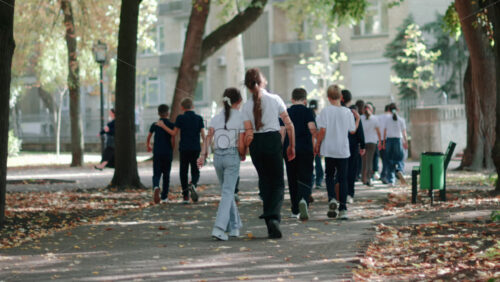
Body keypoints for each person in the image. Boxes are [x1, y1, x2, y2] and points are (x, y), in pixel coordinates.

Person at [242, 68, 295, 239]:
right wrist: (291, 146)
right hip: (273, 140)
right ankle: (273, 217)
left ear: (248, 86)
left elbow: (248, 133)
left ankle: (269, 222)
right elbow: (289, 125)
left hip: (256, 144)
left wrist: (244, 149)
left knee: (264, 182)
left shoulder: (245, 106)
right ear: (263, 81)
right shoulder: (275, 99)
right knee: (278, 183)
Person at [198, 88, 245, 241]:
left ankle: (234, 227)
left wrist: (202, 155)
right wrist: (243, 153)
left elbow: (208, 138)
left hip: (218, 157)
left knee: (227, 191)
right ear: (238, 101)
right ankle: (219, 228)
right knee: (227, 192)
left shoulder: (216, 117)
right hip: (232, 156)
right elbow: (242, 140)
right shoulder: (241, 117)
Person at [315, 85, 359, 220]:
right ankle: (343, 209)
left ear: (328, 98)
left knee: (329, 176)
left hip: (329, 149)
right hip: (343, 150)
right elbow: (352, 131)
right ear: (341, 97)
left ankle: (332, 198)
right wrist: (357, 119)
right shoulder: (348, 112)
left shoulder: (325, 111)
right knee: (343, 178)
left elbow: (322, 131)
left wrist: (317, 145)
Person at [280, 88, 316, 220]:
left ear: (292, 99)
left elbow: (282, 131)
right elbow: (312, 129)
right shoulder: (308, 112)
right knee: (306, 176)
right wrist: (316, 145)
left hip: (289, 150)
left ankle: (295, 210)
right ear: (305, 100)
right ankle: (304, 200)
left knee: (292, 177)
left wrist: (281, 148)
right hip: (306, 149)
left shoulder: (286, 112)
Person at [172, 98, 205, 204]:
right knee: (195, 170)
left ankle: (185, 197)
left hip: (184, 148)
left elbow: (174, 133)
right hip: (195, 148)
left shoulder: (180, 118)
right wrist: (206, 148)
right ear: (193, 106)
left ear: (182, 107)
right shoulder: (199, 118)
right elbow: (204, 136)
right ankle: (193, 184)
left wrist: (163, 126)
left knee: (183, 171)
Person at [146, 104, 175, 204]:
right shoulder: (171, 124)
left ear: (158, 113)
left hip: (157, 151)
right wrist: (173, 148)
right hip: (167, 152)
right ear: (168, 113)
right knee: (166, 175)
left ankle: (156, 186)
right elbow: (173, 137)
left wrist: (148, 145)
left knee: (156, 173)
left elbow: (149, 136)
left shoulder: (155, 125)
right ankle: (164, 197)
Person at [341, 90, 365, 204]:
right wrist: (362, 145)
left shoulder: (335, 111)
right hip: (352, 145)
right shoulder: (353, 112)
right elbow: (359, 129)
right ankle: (349, 194)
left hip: (339, 144)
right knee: (351, 170)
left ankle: (338, 194)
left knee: (340, 171)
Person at [382, 103, 408, 186]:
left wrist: (383, 143)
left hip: (389, 140)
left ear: (389, 110)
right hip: (398, 140)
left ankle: (391, 180)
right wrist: (406, 142)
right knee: (400, 158)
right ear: (398, 110)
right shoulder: (401, 120)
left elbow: (385, 132)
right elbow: (404, 133)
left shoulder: (387, 120)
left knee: (389, 160)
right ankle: (400, 170)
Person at [360, 103, 382, 187]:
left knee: (363, 161)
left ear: (363, 110)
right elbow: (378, 132)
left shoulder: (360, 118)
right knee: (370, 161)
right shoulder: (375, 119)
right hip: (372, 142)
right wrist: (380, 141)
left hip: (362, 142)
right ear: (371, 110)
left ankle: (363, 178)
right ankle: (369, 178)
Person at [309, 99, 324, 189]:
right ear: (317, 108)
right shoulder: (318, 118)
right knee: (318, 162)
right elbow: (320, 131)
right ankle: (318, 181)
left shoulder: (307, 116)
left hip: (309, 143)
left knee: (310, 163)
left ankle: (311, 181)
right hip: (317, 143)